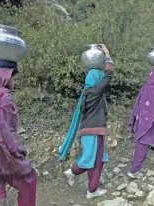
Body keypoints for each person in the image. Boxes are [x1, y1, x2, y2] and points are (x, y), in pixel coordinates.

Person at [0, 60, 37, 206]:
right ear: (5, 77)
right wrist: (19, 153)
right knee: (29, 181)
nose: (13, 82)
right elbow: (5, 132)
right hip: (4, 152)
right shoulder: (4, 97)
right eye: (13, 78)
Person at [63, 44, 114, 199]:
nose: (100, 78)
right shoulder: (95, 92)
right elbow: (109, 76)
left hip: (89, 131)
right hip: (95, 131)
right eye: (98, 76)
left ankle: (90, 187)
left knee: (93, 159)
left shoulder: (88, 92)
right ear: (95, 79)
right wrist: (107, 55)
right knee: (95, 160)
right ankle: (88, 187)